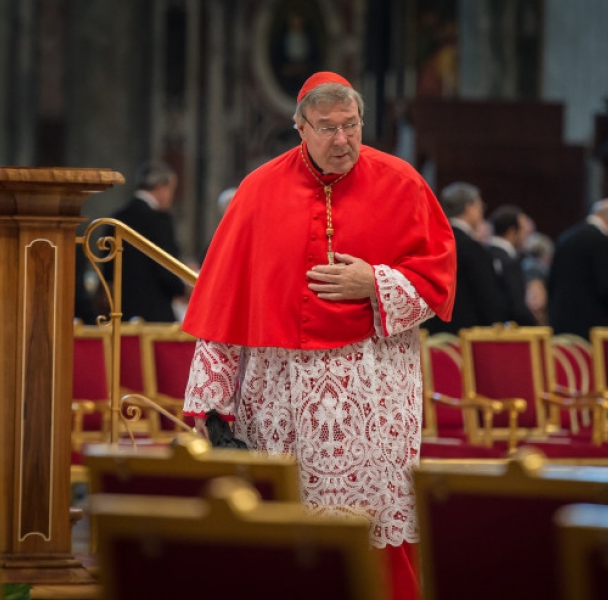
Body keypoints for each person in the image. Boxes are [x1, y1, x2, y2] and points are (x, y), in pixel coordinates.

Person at [180, 72, 456, 600]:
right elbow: (225, 304)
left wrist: (374, 282)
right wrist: (212, 405)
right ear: (300, 127)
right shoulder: (258, 190)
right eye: (327, 127)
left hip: (373, 395)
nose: (342, 140)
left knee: (377, 520)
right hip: (279, 394)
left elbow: (438, 280)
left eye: (351, 125)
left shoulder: (402, 182)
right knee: (283, 525)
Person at [107, 160, 187, 322]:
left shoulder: (117, 218)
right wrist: (183, 289)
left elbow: (108, 267)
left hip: (120, 311)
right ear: (162, 187)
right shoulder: (158, 220)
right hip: (154, 313)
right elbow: (166, 267)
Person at [424, 182, 506, 334]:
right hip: (465, 335)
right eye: (480, 206)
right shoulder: (472, 248)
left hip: (432, 332)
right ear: (470, 208)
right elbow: (487, 297)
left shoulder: (431, 242)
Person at [547, 199, 608, 340]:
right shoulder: (604, 243)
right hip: (590, 325)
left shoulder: (565, 237)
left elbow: (551, 282)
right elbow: (607, 288)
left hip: (560, 321)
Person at [487, 204, 536, 326]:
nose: (527, 236)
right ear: (512, 231)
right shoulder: (510, 261)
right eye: (524, 230)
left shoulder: (482, 254)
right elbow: (517, 306)